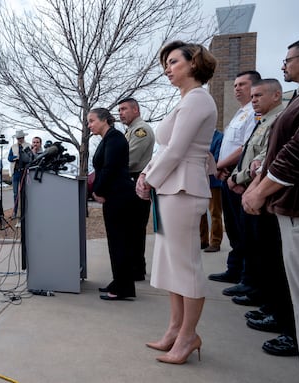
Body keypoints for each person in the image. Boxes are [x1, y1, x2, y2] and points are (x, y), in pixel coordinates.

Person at [136, 41, 217, 364]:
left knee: (186, 266)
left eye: (173, 62)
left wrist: (148, 178)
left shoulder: (198, 99)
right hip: (172, 189)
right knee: (171, 264)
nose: (167, 69)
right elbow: (165, 151)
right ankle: (175, 329)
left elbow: (177, 149)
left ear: (193, 63)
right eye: (165, 64)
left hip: (183, 189)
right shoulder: (186, 101)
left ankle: (188, 336)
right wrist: (148, 174)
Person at [242, 39, 299, 358]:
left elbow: (294, 153)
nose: (283, 65)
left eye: (289, 59)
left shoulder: (290, 107)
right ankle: (281, 318)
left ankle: (290, 331)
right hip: (281, 200)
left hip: (292, 202)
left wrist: (260, 188)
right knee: (276, 268)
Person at [227, 79, 285, 309]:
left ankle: (268, 303)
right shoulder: (264, 120)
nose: (253, 100)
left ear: (276, 95)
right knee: (251, 244)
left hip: (260, 191)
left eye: (258, 95)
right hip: (247, 186)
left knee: (267, 253)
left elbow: (266, 158)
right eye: (252, 97)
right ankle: (256, 291)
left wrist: (238, 179)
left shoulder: (279, 119)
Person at [209, 70, 262, 287]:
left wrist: (220, 165)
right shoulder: (240, 113)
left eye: (242, 84)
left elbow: (246, 147)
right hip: (228, 175)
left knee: (244, 229)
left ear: (255, 87)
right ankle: (234, 270)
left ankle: (246, 277)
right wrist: (222, 169)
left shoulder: (254, 114)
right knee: (232, 227)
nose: (237, 88)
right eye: (235, 84)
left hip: (241, 180)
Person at [89, 108, 137, 301]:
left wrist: (98, 191)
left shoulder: (115, 138)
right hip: (115, 196)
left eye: (92, 121)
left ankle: (123, 288)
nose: (89, 125)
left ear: (104, 120)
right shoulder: (108, 139)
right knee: (116, 242)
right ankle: (119, 281)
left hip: (119, 197)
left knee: (120, 242)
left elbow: (109, 168)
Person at [117, 97, 155, 280]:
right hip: (130, 182)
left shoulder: (141, 131)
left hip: (136, 181)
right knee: (129, 229)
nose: (120, 113)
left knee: (135, 229)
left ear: (136, 110)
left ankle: (136, 269)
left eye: (124, 109)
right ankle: (133, 267)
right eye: (119, 110)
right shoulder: (130, 131)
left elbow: (129, 159)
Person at [200, 130, 224, 252]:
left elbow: (216, 158)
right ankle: (202, 240)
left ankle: (215, 241)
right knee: (201, 211)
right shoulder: (200, 137)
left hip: (213, 181)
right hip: (200, 180)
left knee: (215, 212)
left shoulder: (219, 137)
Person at [7, 130, 30, 219]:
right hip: (15, 172)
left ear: (24, 137)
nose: (20, 139)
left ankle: (24, 212)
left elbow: (30, 157)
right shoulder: (13, 147)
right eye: (18, 138)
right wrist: (15, 157)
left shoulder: (28, 145)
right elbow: (9, 158)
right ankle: (15, 212)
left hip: (24, 172)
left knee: (24, 192)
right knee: (15, 193)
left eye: (21, 138)